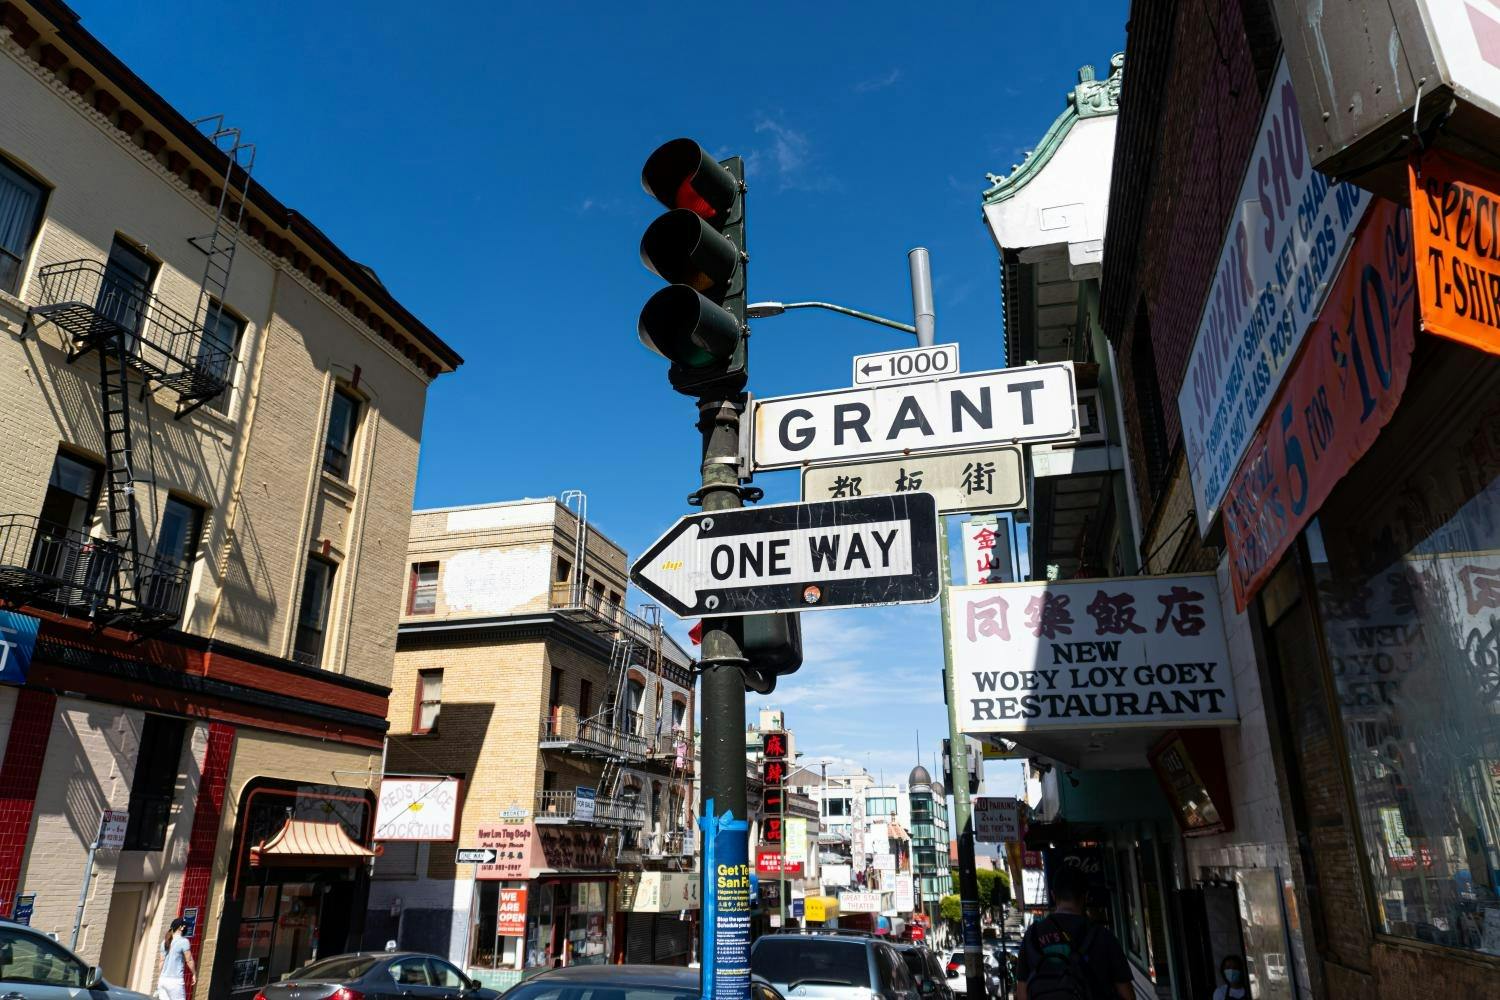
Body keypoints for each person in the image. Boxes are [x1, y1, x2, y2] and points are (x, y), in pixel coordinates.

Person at [1014, 868, 1131, 1000]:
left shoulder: (1032, 935)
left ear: (1053, 895)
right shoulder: (1103, 936)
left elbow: (1022, 992)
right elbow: (1126, 994)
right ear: (1086, 896)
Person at [156, 917, 195, 1000]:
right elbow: (189, 960)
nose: (186, 928)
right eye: (185, 926)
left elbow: (161, 961)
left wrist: (159, 978)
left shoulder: (164, 942)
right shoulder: (184, 941)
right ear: (181, 927)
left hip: (163, 980)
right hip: (175, 981)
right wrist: (194, 974)